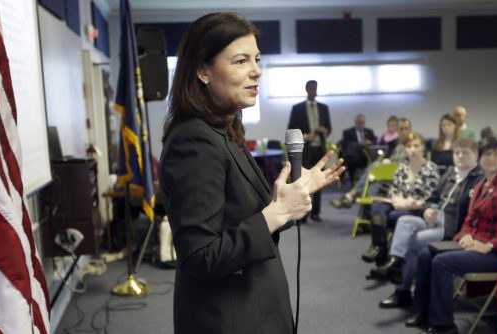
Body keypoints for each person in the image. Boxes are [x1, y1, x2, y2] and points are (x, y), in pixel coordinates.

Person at [159, 13, 344, 334]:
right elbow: (200, 258)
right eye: (241, 61)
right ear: (203, 71)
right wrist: (277, 213)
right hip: (229, 320)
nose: (256, 70)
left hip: (256, 307)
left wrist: (291, 199)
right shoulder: (194, 139)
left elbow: (243, 218)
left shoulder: (226, 130)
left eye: (257, 59)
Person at [406, 136, 497, 334]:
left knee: (441, 262)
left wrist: (489, 246)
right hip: (474, 246)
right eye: (487, 154)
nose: (491, 159)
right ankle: (423, 312)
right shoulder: (480, 187)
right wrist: (466, 234)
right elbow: (469, 221)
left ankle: (444, 325)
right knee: (426, 254)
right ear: (480, 158)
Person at [372, 138, 484, 308]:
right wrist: (427, 209)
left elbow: (475, 213)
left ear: (476, 155)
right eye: (457, 153)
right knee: (404, 221)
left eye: (465, 153)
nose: (460, 156)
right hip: (436, 219)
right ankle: (395, 263)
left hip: (452, 228)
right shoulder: (451, 174)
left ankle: (401, 290)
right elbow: (433, 198)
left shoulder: (479, 179)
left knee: (412, 241)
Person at [362, 132, 440, 264]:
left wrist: (409, 203)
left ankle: (380, 251)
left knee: (386, 215)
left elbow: (431, 197)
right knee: (377, 207)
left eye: (416, 146)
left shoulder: (431, 168)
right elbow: (394, 191)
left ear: (423, 147)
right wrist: (398, 200)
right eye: (409, 146)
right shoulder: (402, 168)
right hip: (399, 205)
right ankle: (379, 248)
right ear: (405, 149)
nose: (412, 150)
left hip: (418, 209)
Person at [330, 117, 410, 209]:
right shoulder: (398, 144)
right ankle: (366, 213)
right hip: (388, 175)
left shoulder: (412, 145)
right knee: (372, 182)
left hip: (400, 178)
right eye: (401, 129)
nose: (404, 131)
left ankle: (351, 195)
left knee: (374, 169)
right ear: (398, 131)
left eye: (406, 128)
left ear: (410, 129)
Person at [288, 80, 332, 222]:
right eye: (312, 88)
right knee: (304, 182)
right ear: (307, 89)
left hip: (320, 149)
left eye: (316, 87)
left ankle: (316, 213)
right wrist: (306, 136)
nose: (314, 90)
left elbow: (329, 128)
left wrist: (324, 130)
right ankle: (303, 215)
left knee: (319, 181)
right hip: (305, 150)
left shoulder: (324, 108)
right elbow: (291, 130)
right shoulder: (297, 108)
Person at [340, 114, 377, 184]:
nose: (360, 124)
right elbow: (345, 144)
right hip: (354, 156)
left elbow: (376, 140)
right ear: (355, 122)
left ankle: (369, 181)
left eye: (362, 122)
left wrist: (370, 142)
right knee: (350, 160)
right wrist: (359, 144)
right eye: (359, 122)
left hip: (366, 156)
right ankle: (352, 182)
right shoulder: (348, 132)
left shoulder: (369, 131)